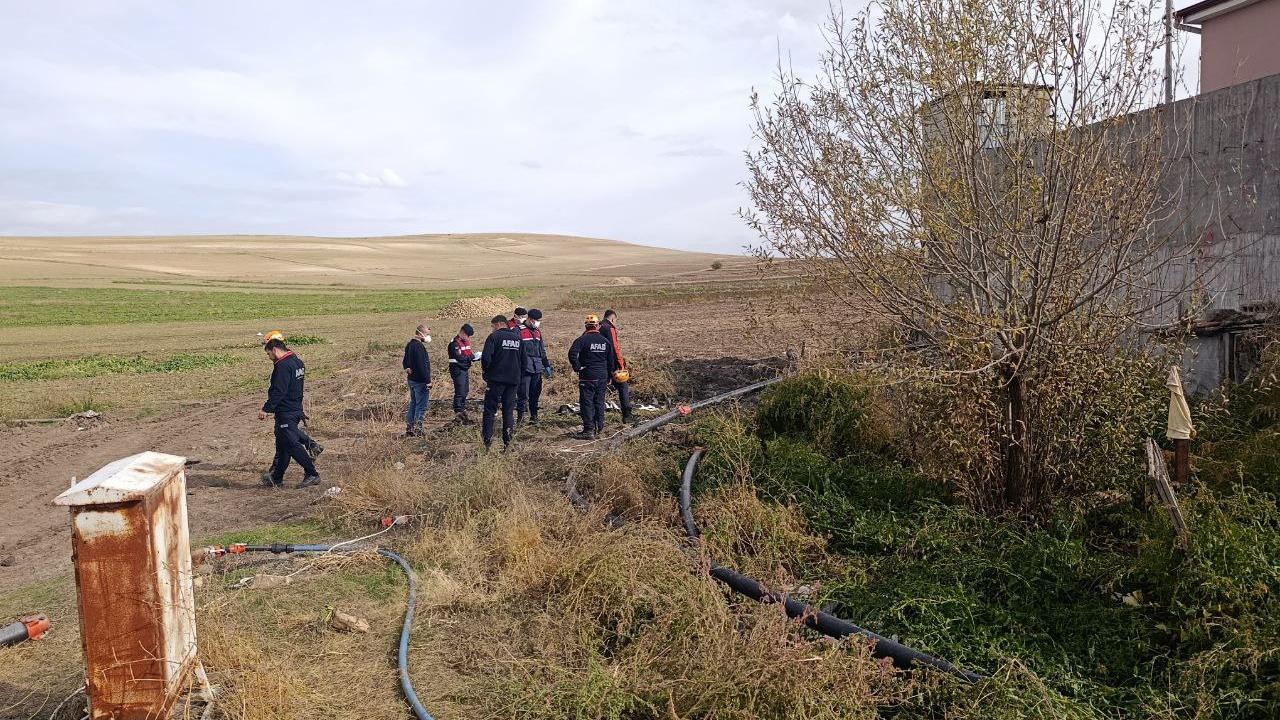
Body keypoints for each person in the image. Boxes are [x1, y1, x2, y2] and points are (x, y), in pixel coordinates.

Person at [258, 330, 320, 488]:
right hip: (295, 408)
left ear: (274, 350)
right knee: (283, 445)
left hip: (286, 411)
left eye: (268, 354)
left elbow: (279, 391)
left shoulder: (283, 366)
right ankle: (276, 478)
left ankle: (312, 473)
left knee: (292, 445)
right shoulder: (297, 362)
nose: (269, 357)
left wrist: (266, 409)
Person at [568, 314, 616, 439]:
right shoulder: (605, 341)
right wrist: (610, 375)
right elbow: (611, 360)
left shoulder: (582, 340)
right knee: (599, 401)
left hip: (588, 375)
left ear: (586, 326)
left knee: (587, 402)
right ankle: (599, 427)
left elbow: (572, 354)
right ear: (598, 326)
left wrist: (577, 367)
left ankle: (588, 430)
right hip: (602, 376)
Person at [480, 314, 523, 451]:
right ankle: (508, 443)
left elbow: (486, 358)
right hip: (513, 381)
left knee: (489, 411)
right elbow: (524, 360)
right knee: (508, 412)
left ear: (499, 324)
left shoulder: (494, 337)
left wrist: (487, 372)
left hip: (496, 380)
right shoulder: (518, 338)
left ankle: (486, 443)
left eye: (493, 326)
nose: (492, 329)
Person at [517, 309, 551, 425]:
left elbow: (542, 349)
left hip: (537, 367)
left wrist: (546, 364)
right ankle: (521, 419)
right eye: (536, 320)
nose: (538, 322)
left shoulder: (537, 331)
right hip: (525, 368)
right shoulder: (518, 331)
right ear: (530, 319)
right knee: (523, 395)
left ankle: (534, 417)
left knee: (535, 393)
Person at [600, 309, 634, 423]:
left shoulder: (597, 326)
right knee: (623, 387)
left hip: (598, 364)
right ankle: (627, 416)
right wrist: (621, 365)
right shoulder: (610, 328)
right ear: (613, 318)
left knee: (599, 391)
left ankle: (598, 419)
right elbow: (615, 347)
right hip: (611, 364)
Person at [402, 324, 432, 437]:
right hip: (420, 381)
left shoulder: (409, 345)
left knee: (414, 403)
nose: (428, 337)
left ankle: (410, 428)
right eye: (427, 334)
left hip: (412, 380)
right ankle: (418, 430)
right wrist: (428, 381)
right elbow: (422, 366)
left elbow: (405, 361)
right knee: (421, 406)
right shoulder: (419, 347)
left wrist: (407, 367)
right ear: (420, 334)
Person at [448, 324, 477, 424]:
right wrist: (470, 358)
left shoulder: (465, 342)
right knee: (460, 391)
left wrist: (474, 357)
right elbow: (459, 358)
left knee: (465, 390)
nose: (468, 338)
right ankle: (458, 413)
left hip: (464, 369)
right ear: (462, 332)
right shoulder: (454, 344)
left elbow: (469, 354)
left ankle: (462, 411)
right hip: (457, 370)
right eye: (467, 335)